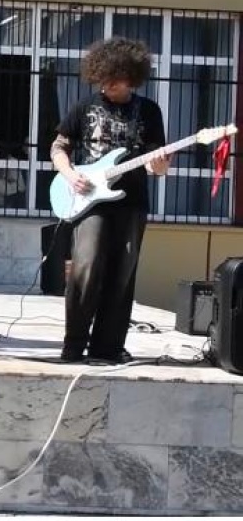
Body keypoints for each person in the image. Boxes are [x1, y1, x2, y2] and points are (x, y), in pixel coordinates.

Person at [50, 36, 169, 364]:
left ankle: (107, 347)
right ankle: (73, 344)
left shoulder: (148, 111)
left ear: (131, 78)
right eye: (101, 80)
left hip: (131, 203)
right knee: (86, 266)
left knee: (122, 274)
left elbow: (155, 162)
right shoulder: (85, 106)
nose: (106, 86)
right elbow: (59, 147)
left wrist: (158, 166)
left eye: (113, 81)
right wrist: (69, 174)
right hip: (90, 201)